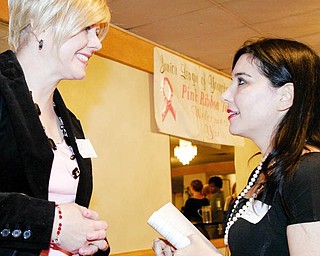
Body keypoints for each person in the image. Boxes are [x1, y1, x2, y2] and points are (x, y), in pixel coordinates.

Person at [152, 38, 320, 255]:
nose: (225, 95)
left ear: (285, 96)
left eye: (242, 82)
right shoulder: (263, 171)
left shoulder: (309, 172)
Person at [0, 0, 111, 255]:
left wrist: (90, 240)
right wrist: (53, 225)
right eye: (86, 28)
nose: (97, 43)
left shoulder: (71, 123)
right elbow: (51, 223)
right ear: (41, 26)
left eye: (97, 32)